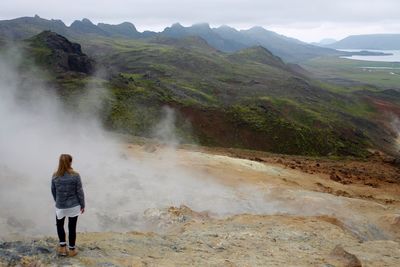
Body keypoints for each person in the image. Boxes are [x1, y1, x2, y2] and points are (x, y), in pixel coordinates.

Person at [51, 154, 85, 257]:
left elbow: (53, 191)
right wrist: (82, 205)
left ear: (60, 162)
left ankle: (62, 248)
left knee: (60, 225)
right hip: (74, 206)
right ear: (70, 162)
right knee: (72, 227)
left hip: (60, 205)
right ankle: (71, 250)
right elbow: (79, 191)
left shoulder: (55, 175)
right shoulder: (75, 175)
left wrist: (58, 201)